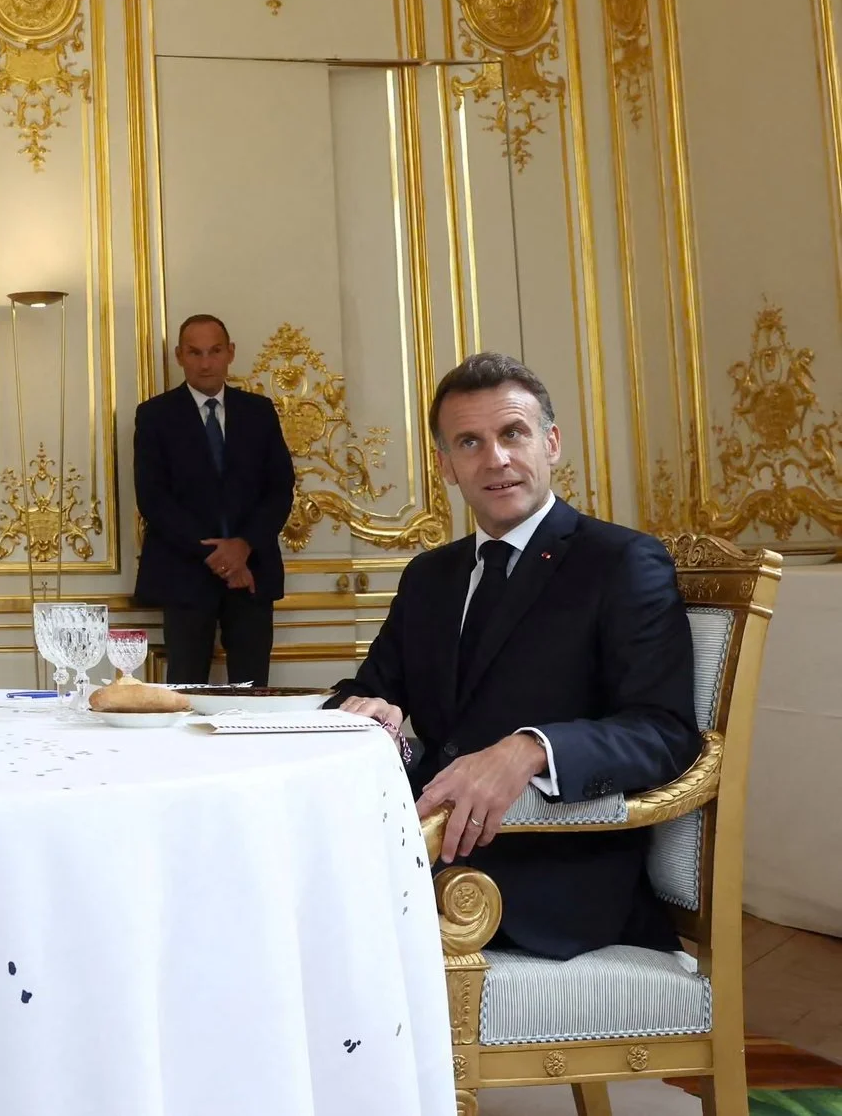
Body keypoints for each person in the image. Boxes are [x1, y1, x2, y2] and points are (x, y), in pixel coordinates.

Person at [330, 354, 698, 959]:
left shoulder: (620, 562)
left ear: (550, 443)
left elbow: (664, 733)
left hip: (551, 878)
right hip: (417, 851)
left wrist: (530, 749)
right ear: (446, 466)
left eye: (513, 433)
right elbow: (365, 690)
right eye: (469, 442)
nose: (495, 458)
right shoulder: (429, 576)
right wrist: (369, 714)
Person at [130, 313, 296, 685]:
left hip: (252, 573)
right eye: (195, 352)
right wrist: (220, 557)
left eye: (215, 351)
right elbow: (153, 499)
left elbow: (280, 488)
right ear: (179, 356)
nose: (206, 362)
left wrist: (243, 546)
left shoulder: (259, 411)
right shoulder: (155, 416)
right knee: (186, 687)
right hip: (184, 574)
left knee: (252, 688)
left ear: (230, 352)